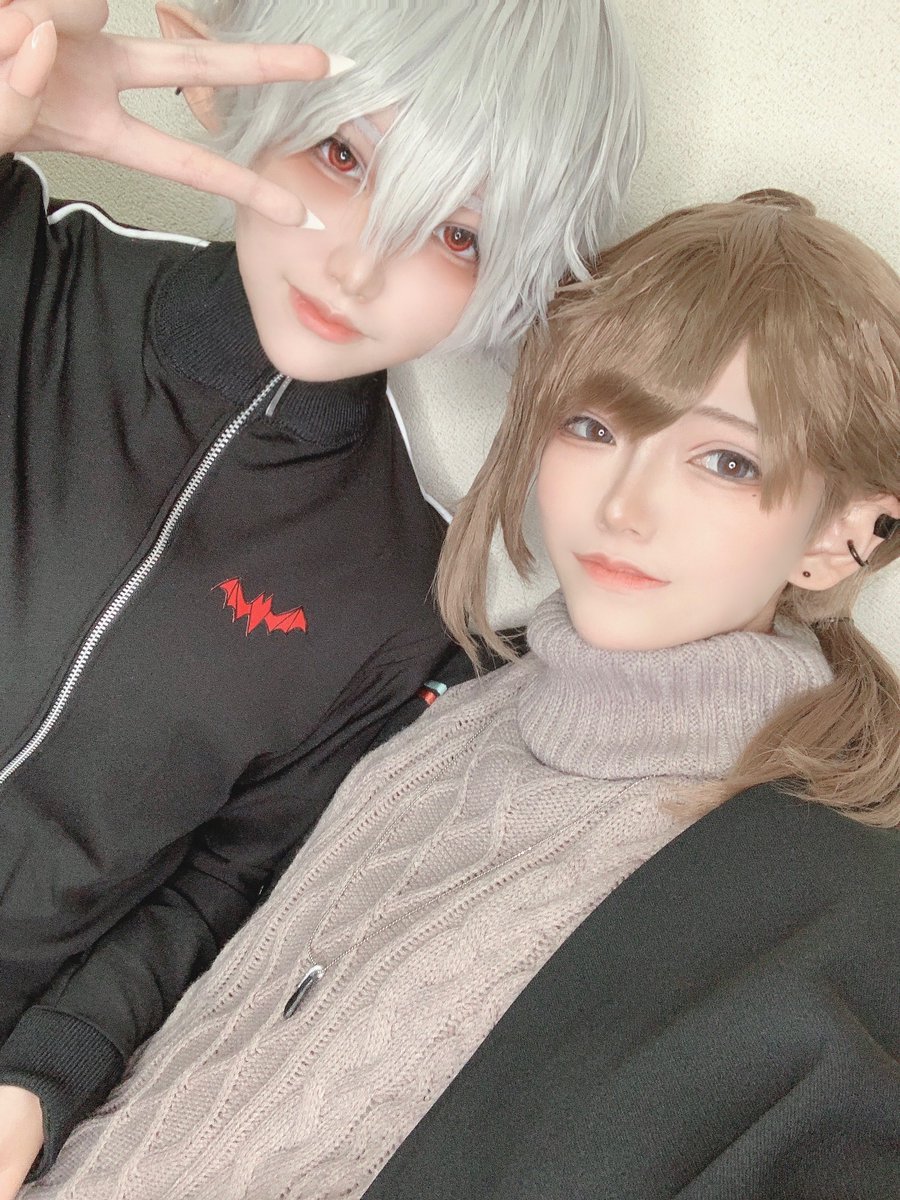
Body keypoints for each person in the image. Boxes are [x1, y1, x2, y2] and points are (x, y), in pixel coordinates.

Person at [25, 190, 900, 1200]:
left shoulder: (814, 889)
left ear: (844, 536)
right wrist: (43, 1077)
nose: (626, 506)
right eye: (593, 425)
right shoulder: (454, 688)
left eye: (726, 460)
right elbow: (221, 901)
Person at [0, 0, 645, 1187]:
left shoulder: (408, 597)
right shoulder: (28, 267)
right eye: (343, 155)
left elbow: (220, 882)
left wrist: (39, 1082)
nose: (359, 266)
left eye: (456, 234)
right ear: (238, 91)